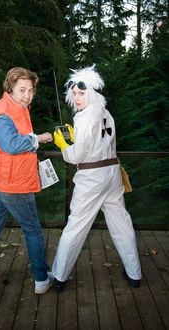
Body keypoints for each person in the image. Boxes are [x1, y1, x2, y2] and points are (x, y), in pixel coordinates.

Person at [52, 65, 142, 292]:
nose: (77, 97)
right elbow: (102, 142)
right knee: (121, 223)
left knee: (75, 227)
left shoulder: (83, 117)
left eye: (81, 93)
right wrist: (76, 137)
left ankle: (59, 277)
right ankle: (134, 274)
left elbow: (77, 156)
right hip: (112, 175)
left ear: (91, 92)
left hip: (92, 178)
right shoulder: (105, 113)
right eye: (74, 94)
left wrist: (64, 145)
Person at [0, 67, 54, 294]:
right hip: (12, 184)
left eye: (30, 90)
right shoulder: (3, 114)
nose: (27, 95)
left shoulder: (16, 107)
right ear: (10, 89)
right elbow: (11, 145)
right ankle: (41, 278)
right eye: (22, 90)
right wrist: (39, 138)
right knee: (33, 229)